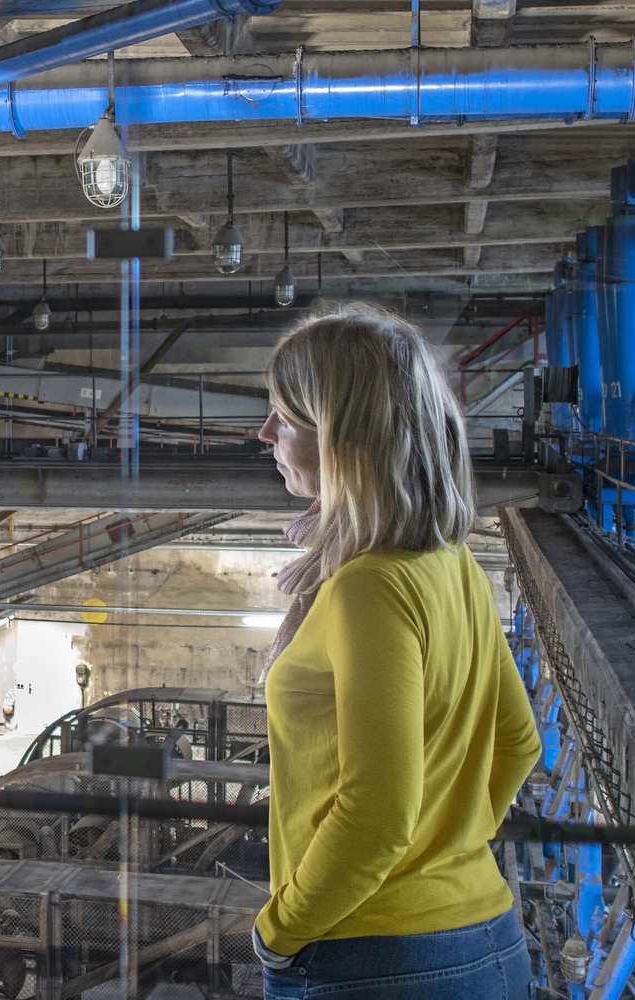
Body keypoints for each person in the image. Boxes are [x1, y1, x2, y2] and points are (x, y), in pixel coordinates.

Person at [250, 304, 542, 999]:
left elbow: (377, 815)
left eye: (285, 418)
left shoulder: (368, 589)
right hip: (491, 941)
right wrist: (444, 852)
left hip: (373, 958)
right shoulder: (456, 568)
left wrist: (280, 932)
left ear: (342, 437)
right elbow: (519, 742)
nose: (263, 433)